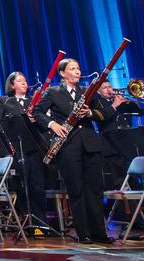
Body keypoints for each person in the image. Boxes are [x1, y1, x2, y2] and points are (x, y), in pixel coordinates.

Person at [34, 58, 113, 244]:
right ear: (62, 73)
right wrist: (52, 124)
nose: (77, 71)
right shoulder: (53, 92)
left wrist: (90, 114)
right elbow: (37, 112)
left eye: (78, 68)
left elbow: (108, 112)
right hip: (68, 146)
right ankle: (84, 233)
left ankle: (99, 233)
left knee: (94, 190)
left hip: (90, 144)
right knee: (76, 190)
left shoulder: (88, 92)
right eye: (72, 69)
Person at [0, 72, 46, 226]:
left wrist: (37, 119)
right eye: (19, 81)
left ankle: (40, 220)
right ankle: (25, 219)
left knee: (38, 184)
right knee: (22, 184)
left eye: (25, 81)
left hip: (36, 148)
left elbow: (44, 123)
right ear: (12, 85)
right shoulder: (6, 102)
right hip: (18, 149)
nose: (24, 84)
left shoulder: (35, 102)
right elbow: (1, 123)